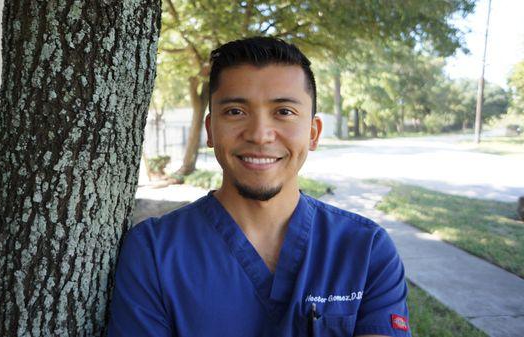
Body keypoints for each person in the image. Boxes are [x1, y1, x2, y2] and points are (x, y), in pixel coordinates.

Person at [108, 37, 411, 337]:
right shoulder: (154, 252)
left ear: (313, 133)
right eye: (236, 112)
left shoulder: (366, 250)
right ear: (211, 129)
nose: (260, 135)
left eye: (284, 112)